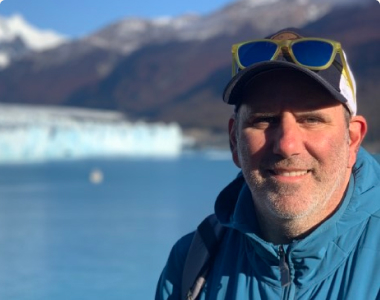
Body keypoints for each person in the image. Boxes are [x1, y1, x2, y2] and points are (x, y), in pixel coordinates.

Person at [155, 28, 380, 300]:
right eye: (264, 119)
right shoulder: (192, 264)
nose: (286, 145)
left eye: (311, 119)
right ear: (234, 141)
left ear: (352, 139)